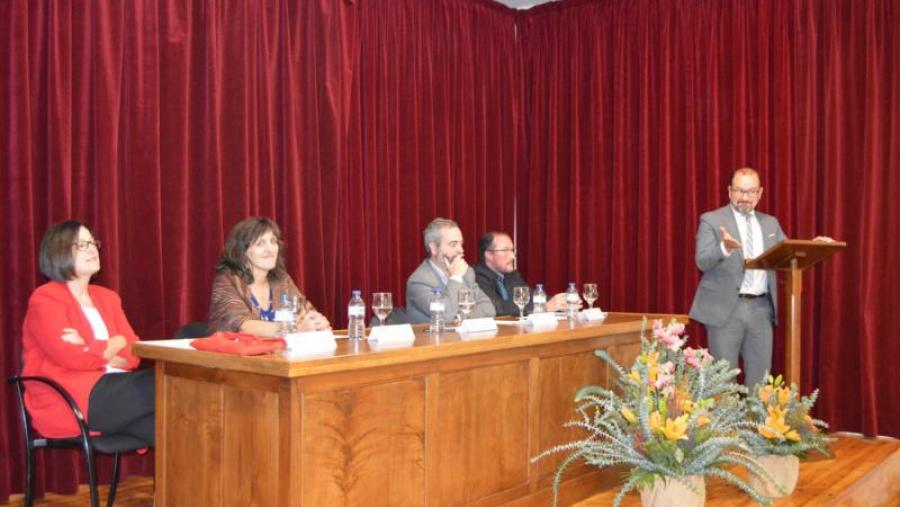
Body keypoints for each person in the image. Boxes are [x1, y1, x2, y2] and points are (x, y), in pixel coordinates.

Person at [21, 220, 154, 443]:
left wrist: (91, 345)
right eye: (82, 245)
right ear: (58, 251)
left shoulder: (108, 298)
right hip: (70, 400)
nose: (92, 249)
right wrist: (113, 345)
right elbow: (72, 357)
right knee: (166, 386)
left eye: (93, 243)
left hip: (115, 394)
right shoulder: (46, 299)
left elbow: (133, 353)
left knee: (174, 426)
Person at [689, 168, 786, 388]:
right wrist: (724, 248)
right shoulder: (712, 220)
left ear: (760, 193)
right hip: (726, 311)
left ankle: (757, 423)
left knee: (761, 383)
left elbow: (789, 253)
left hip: (761, 310)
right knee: (724, 383)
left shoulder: (771, 223)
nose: (744, 197)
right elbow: (702, 261)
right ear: (729, 191)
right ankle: (727, 424)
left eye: (751, 191)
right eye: (739, 190)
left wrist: (813, 244)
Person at [209, 217, 330, 336]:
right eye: (260, 243)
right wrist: (295, 329)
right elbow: (241, 326)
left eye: (273, 241)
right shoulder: (227, 280)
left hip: (278, 354)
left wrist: (317, 323)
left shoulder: (281, 280)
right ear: (242, 251)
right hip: (236, 354)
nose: (270, 249)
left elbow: (304, 311)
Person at [406, 218, 495, 323]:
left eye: (461, 244)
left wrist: (459, 318)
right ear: (434, 248)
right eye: (453, 244)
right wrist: (456, 278)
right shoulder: (419, 281)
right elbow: (444, 316)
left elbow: (489, 309)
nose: (461, 250)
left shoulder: (467, 273)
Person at [474, 232, 570, 316]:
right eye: (505, 250)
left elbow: (529, 296)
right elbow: (497, 307)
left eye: (512, 250)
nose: (513, 256)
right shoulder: (475, 276)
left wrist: (561, 302)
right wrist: (543, 307)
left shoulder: (512, 275)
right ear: (488, 254)